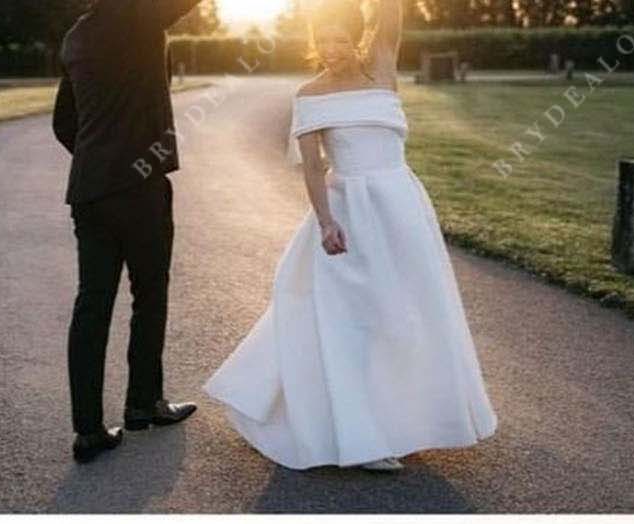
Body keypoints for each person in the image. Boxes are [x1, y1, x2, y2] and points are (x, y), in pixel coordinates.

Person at [205, 0, 496, 472]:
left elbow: (390, 15)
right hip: (348, 215)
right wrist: (325, 221)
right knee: (356, 321)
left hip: (402, 208)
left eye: (340, 39)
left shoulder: (382, 70)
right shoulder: (310, 95)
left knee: (406, 313)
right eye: (322, 41)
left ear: (357, 40)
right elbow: (313, 167)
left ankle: (405, 423)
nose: (331, 49)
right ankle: (364, 439)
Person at [54, 0, 200, 464]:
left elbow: (63, 123)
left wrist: (99, 159)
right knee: (149, 294)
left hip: (90, 189)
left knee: (92, 304)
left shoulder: (76, 35)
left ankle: (88, 431)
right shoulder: (141, 16)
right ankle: (143, 403)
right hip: (139, 185)